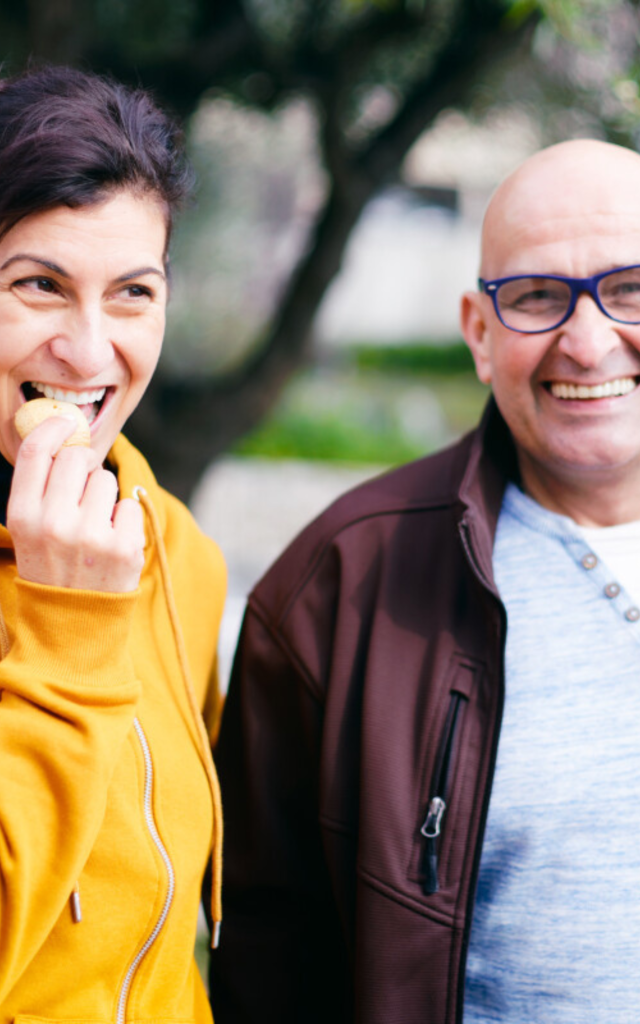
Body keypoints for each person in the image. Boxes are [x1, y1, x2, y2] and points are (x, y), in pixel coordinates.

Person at [209, 137, 640, 1023]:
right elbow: (271, 967)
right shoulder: (338, 586)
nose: (590, 342)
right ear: (479, 335)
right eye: (535, 298)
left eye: (631, 288)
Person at [0, 66, 226, 1022]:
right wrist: (64, 629)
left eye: (133, 292)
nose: (91, 354)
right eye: (39, 285)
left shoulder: (176, 546)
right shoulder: (83, 588)